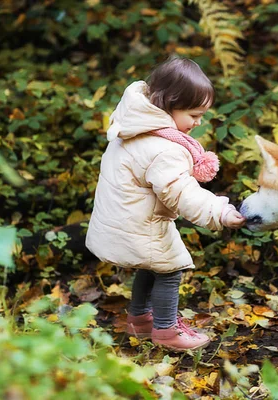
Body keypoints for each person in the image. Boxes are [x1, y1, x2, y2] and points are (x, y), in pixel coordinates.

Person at [86, 57, 246, 351]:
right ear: (168, 104)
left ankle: (139, 319)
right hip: (140, 221)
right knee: (170, 270)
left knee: (151, 265)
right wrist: (219, 212)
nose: (199, 122)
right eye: (194, 114)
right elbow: (181, 192)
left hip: (122, 216)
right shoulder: (164, 149)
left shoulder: (132, 125)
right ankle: (166, 331)